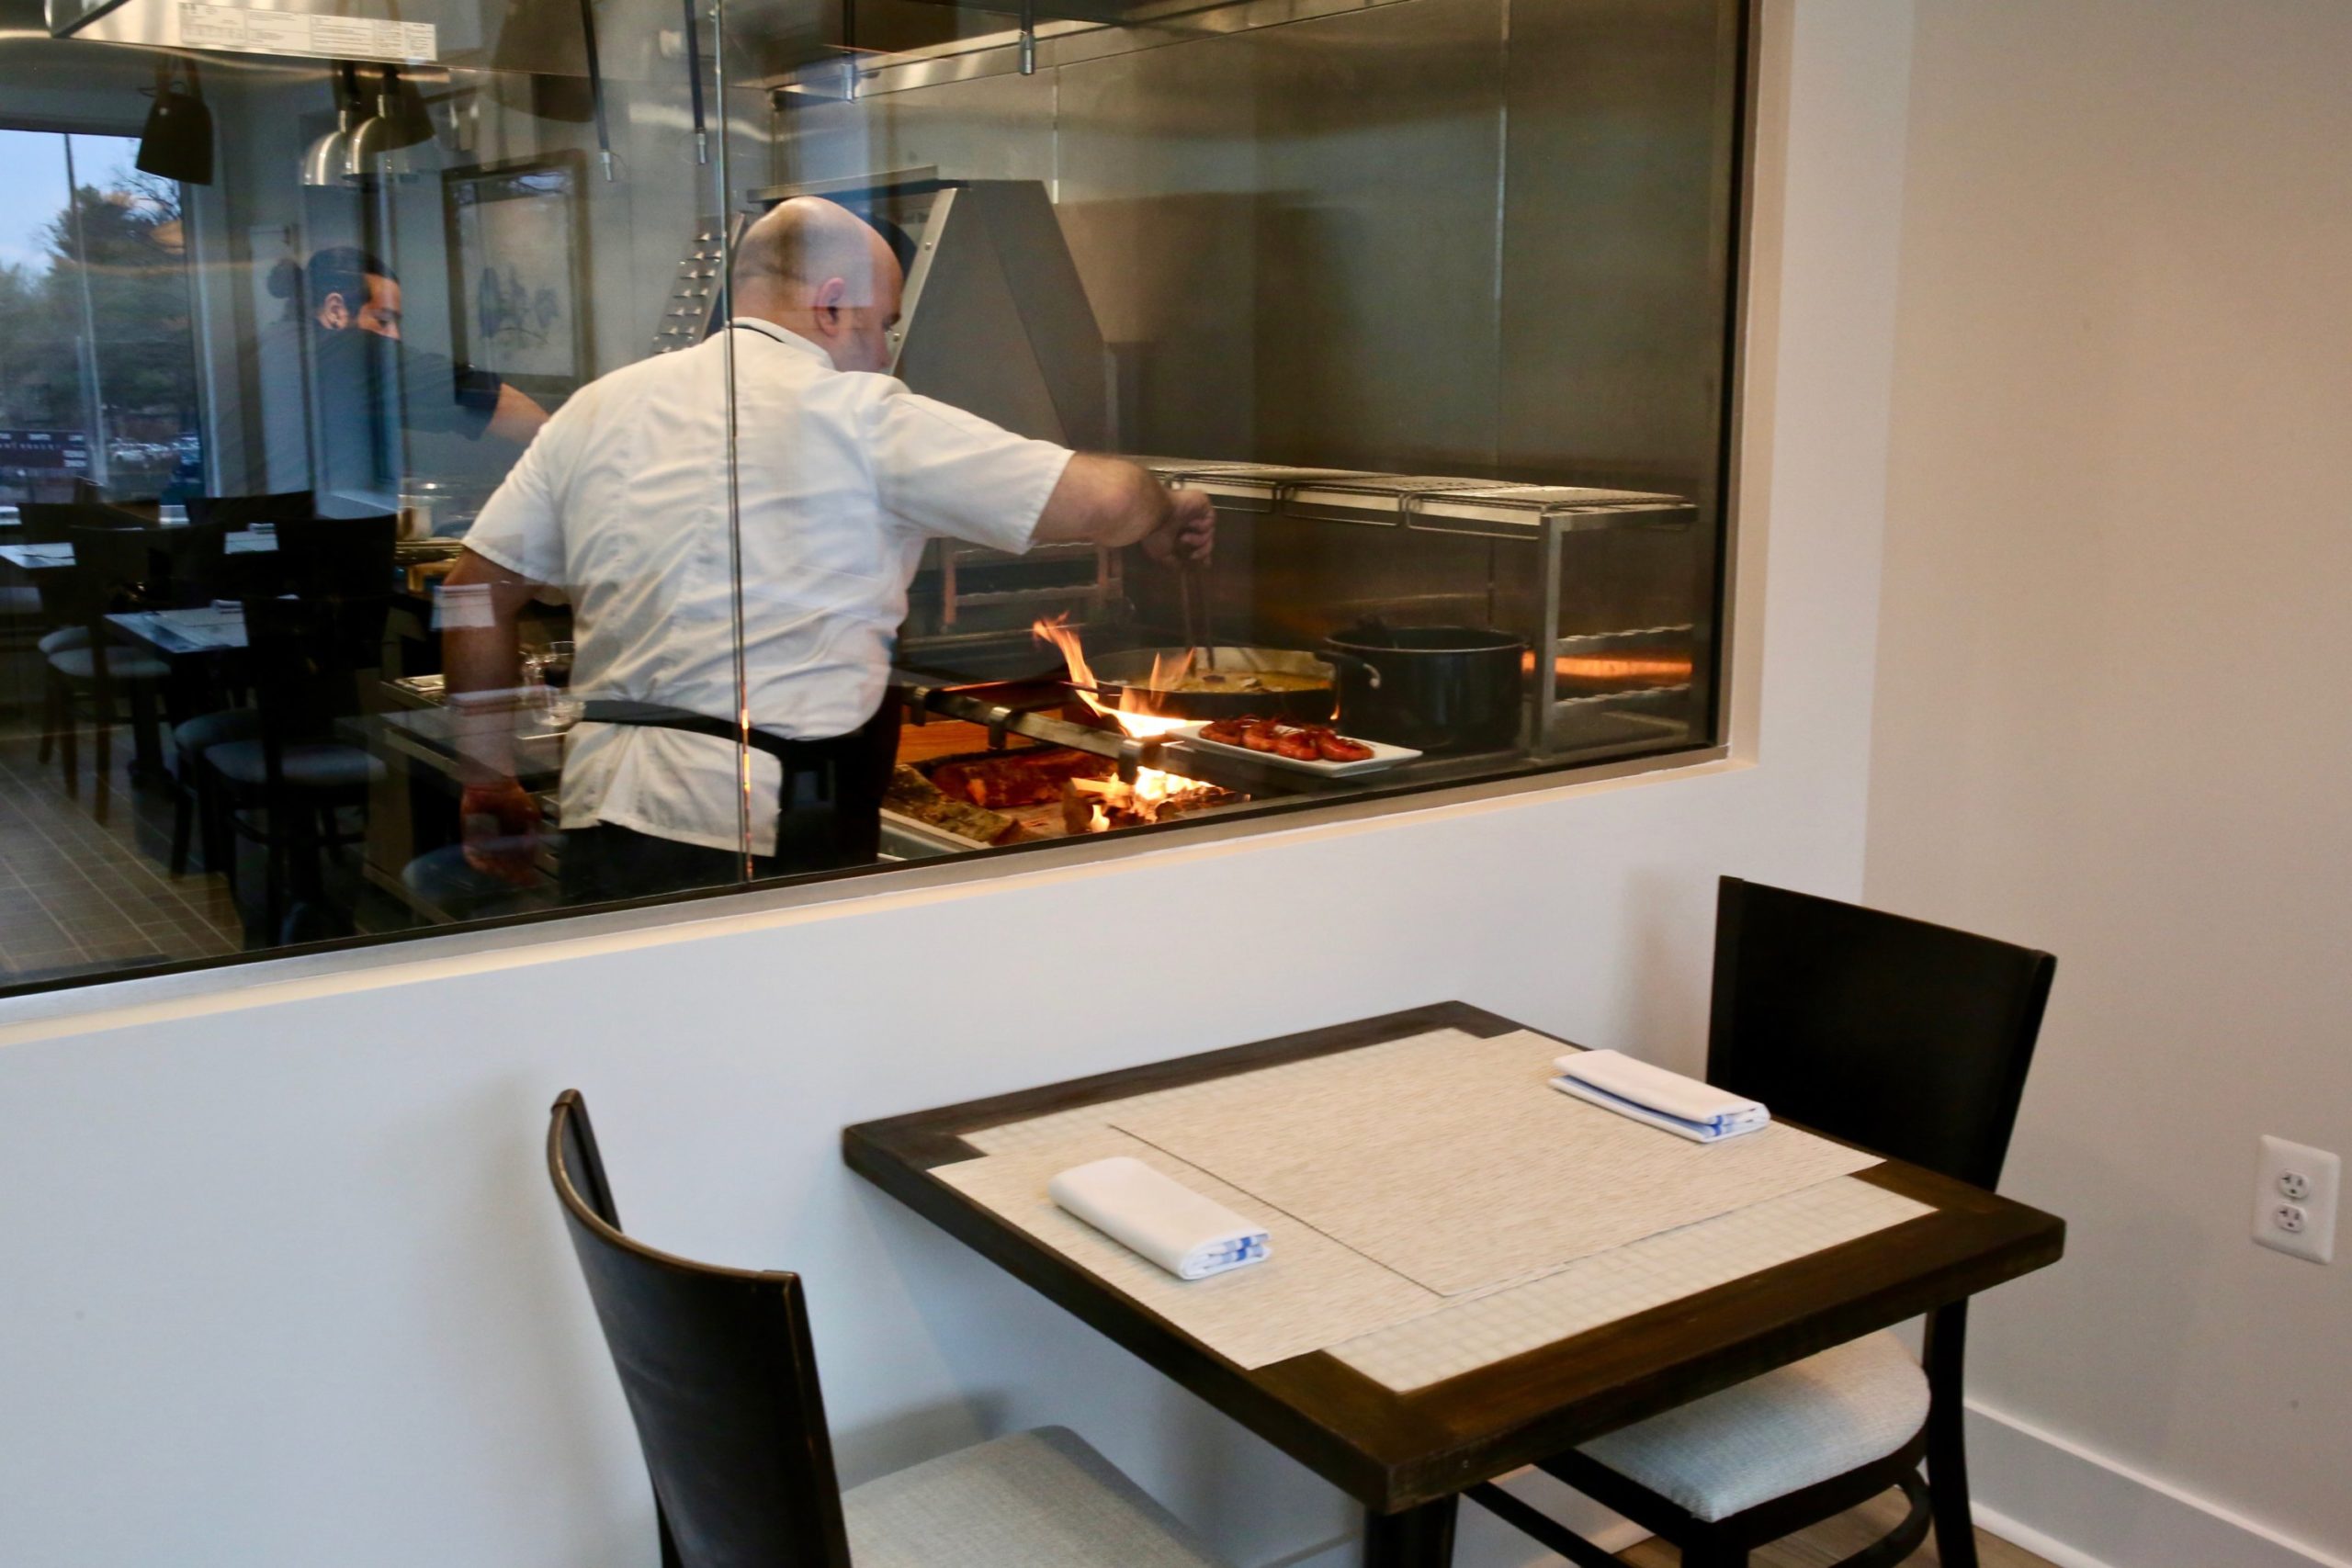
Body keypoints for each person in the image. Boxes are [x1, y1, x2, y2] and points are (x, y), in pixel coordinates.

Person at [442, 197, 1215, 903]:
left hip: (602, 810)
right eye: (885, 323)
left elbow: (473, 591)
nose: (884, 352)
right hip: (763, 826)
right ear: (833, 302)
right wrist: (1165, 505)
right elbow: (1107, 501)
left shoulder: (597, 407)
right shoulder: (861, 415)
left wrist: (486, 777)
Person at [289, 246, 548, 513]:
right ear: (335, 311)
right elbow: (496, 402)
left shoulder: (269, 348)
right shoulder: (350, 353)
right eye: (383, 320)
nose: (394, 336)